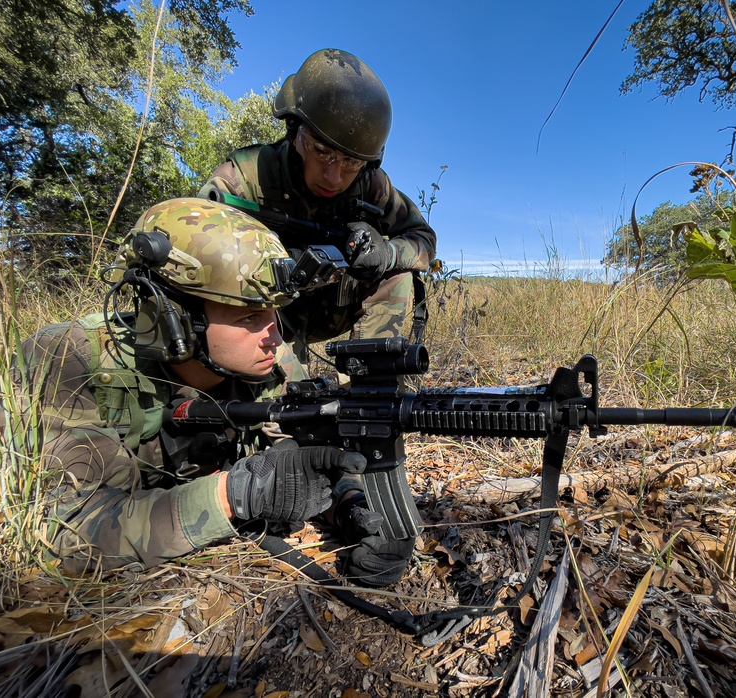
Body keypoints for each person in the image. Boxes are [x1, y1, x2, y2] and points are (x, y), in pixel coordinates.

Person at [23, 198, 413, 585]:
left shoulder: (268, 363)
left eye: (275, 313)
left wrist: (349, 503)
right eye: (249, 316)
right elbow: (69, 535)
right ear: (173, 317)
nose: (274, 336)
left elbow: (302, 456)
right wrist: (234, 495)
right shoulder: (75, 361)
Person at [198, 48, 437, 375]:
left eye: (351, 162)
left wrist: (386, 253)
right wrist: (273, 267)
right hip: (264, 317)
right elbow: (195, 267)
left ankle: (372, 389)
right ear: (294, 131)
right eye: (322, 151)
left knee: (398, 275)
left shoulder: (372, 185)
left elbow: (423, 239)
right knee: (287, 412)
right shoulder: (242, 182)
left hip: (333, 308)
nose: (334, 176)